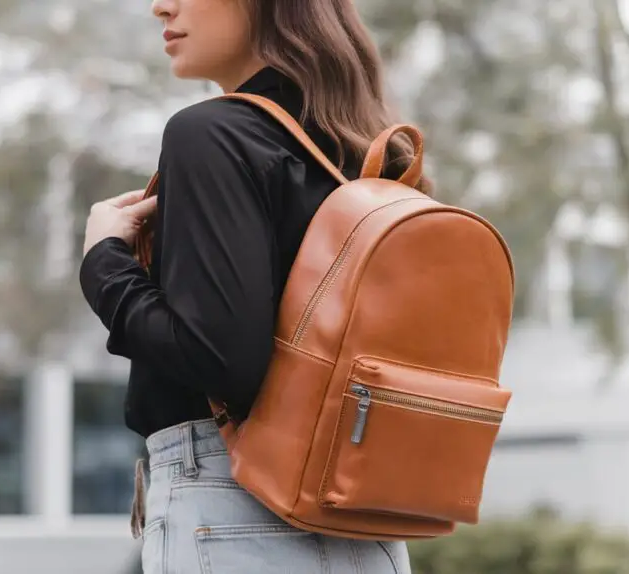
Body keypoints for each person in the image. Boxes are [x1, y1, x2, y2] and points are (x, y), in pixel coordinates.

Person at [79, 0, 424, 571]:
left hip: (233, 509)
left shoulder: (212, 134)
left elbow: (217, 358)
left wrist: (104, 264)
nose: (159, 7)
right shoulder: (367, 155)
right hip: (369, 531)